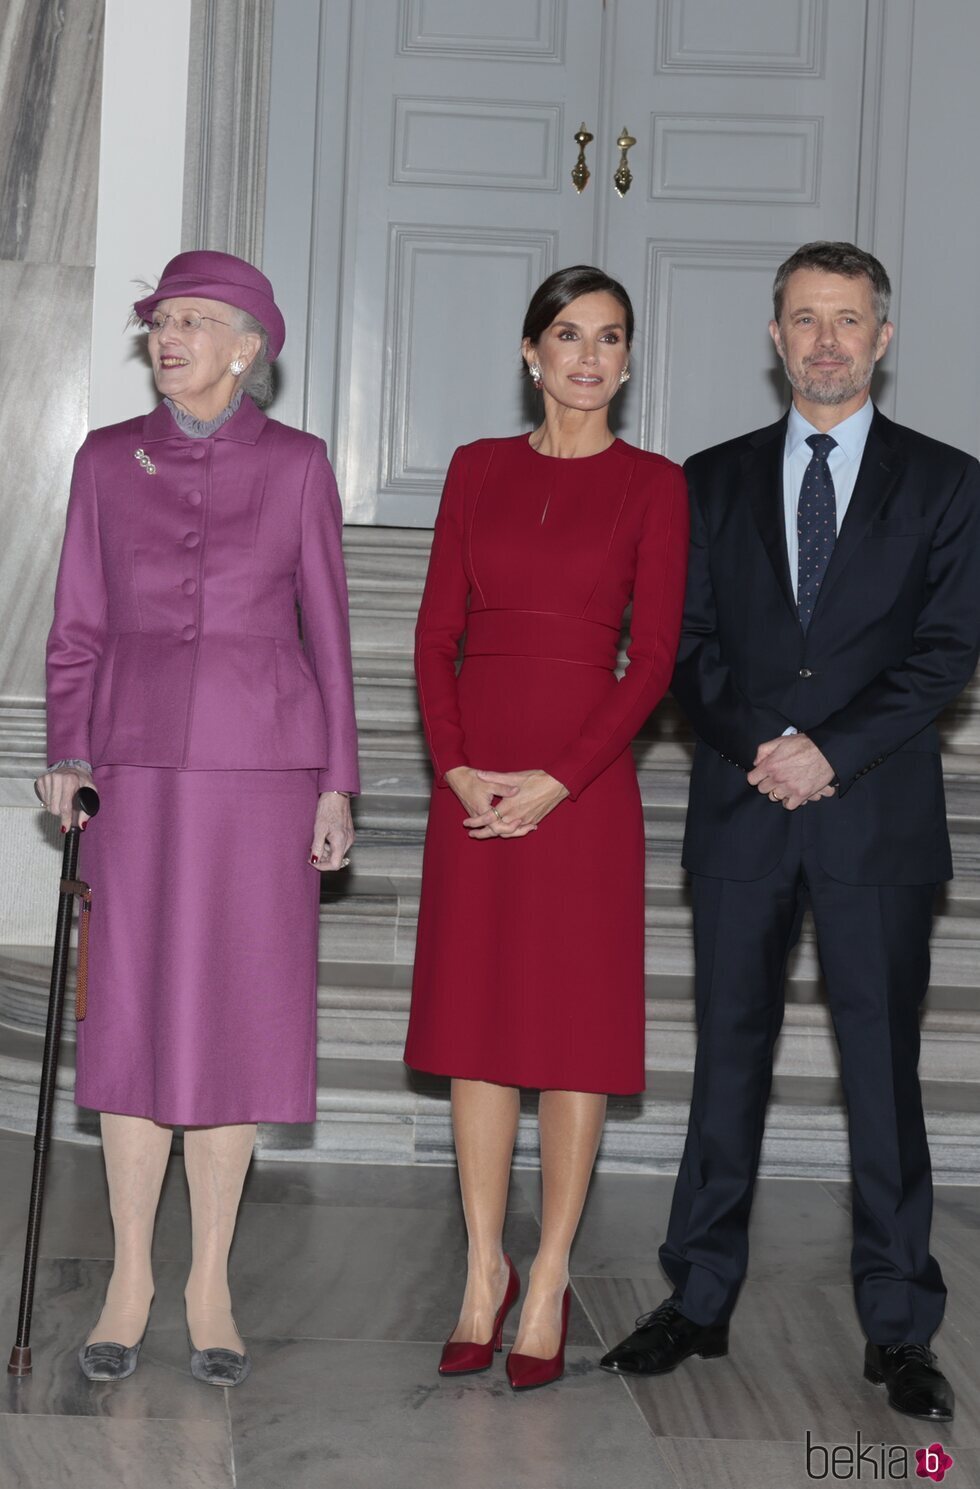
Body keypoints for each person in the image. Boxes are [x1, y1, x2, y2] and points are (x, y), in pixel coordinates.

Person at [600, 242, 980, 1423]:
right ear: (773, 338)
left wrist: (831, 747)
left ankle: (898, 1324)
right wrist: (764, 742)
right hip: (741, 806)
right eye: (804, 319)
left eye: (847, 319)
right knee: (727, 1064)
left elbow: (944, 651)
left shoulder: (947, 483)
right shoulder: (701, 483)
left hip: (875, 817)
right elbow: (680, 646)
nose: (825, 340)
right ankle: (696, 1298)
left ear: (881, 338)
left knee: (880, 1075)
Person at [37, 250, 359, 1386]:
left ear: (247, 345)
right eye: (161, 320)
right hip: (132, 773)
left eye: (194, 321)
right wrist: (64, 751)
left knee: (238, 1024)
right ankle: (129, 1278)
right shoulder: (102, 461)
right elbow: (76, 623)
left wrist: (336, 783)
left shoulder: (299, 465)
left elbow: (328, 630)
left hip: (262, 778)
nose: (169, 337)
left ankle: (208, 1279)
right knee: (129, 1021)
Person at [404, 265, 689, 1391]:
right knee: (478, 1036)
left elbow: (655, 657)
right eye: (567, 334)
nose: (587, 355)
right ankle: (483, 1270)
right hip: (473, 783)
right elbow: (434, 635)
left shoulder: (653, 486)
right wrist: (459, 767)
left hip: (582, 786)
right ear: (530, 351)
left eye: (609, 338)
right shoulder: (473, 470)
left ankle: (553, 1272)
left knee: (569, 1039)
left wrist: (558, 780)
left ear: (626, 360)